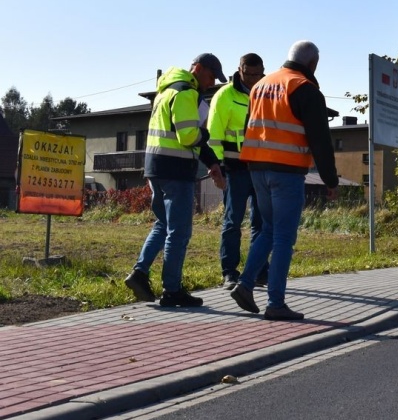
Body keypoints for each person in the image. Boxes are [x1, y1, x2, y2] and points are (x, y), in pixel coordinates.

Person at [231, 40, 338, 321]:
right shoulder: (305, 88)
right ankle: (275, 303)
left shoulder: (261, 85)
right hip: (286, 171)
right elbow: (320, 140)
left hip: (257, 168)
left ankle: (244, 284)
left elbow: (248, 127)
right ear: (313, 64)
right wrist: (330, 179)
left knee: (267, 229)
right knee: (282, 237)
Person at [125, 54, 227, 307]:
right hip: (176, 171)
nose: (211, 83)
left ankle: (139, 273)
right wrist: (205, 132)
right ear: (198, 68)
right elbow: (188, 136)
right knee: (178, 233)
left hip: (156, 168)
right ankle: (171, 290)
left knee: (163, 225)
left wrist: (212, 162)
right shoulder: (186, 93)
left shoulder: (166, 91)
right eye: (211, 76)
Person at [208, 53, 268, 290]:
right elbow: (214, 133)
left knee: (262, 224)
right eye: (249, 74)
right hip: (234, 169)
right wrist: (218, 168)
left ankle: (259, 271)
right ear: (239, 70)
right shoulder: (225, 95)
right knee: (233, 222)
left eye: (258, 74)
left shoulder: (266, 91)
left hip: (261, 168)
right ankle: (229, 272)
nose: (254, 79)